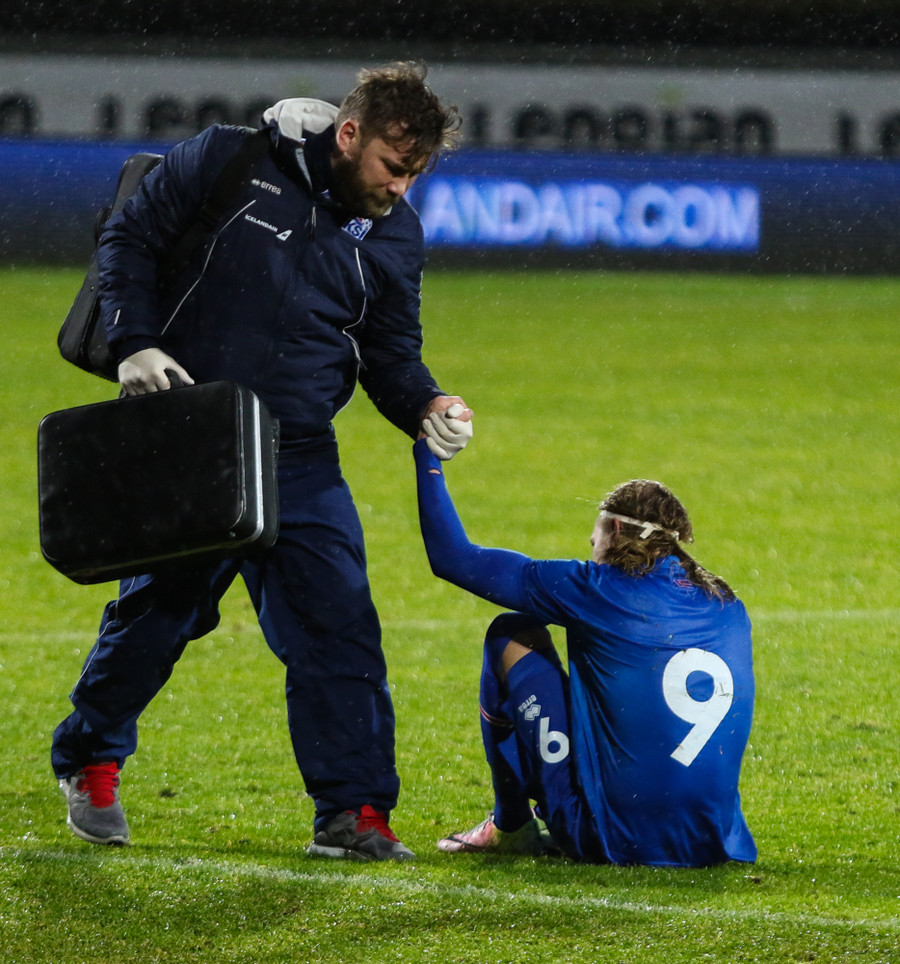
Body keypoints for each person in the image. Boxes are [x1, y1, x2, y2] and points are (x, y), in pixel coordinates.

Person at [52, 62, 474, 863]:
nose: (401, 188)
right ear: (348, 135)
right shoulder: (230, 158)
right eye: (393, 166)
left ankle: (351, 813)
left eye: (416, 174)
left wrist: (426, 403)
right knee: (160, 617)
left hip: (299, 452)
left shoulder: (394, 235)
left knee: (338, 628)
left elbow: (390, 354)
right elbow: (129, 238)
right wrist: (135, 342)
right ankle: (90, 756)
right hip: (189, 433)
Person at [413, 438, 756, 866]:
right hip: (712, 843)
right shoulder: (726, 603)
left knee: (510, 633)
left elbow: (453, 557)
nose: (591, 551)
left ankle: (511, 823)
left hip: (612, 839)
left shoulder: (597, 590)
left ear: (616, 531)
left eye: (594, 540)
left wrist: (426, 454)